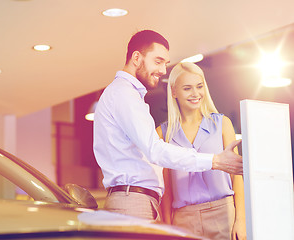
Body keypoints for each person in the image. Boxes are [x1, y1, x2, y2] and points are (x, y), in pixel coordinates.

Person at [93, 30, 243, 221]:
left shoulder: (126, 95)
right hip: (132, 203)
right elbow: (155, 151)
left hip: (136, 201)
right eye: (158, 61)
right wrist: (214, 161)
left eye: (165, 63)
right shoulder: (123, 94)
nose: (163, 70)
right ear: (137, 58)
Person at [157, 62, 246, 239]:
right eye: (187, 88)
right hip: (183, 220)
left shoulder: (222, 124)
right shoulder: (163, 134)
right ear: (174, 91)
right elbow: (165, 190)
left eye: (199, 86)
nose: (195, 93)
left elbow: (237, 176)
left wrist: (241, 220)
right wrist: (166, 229)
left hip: (223, 214)